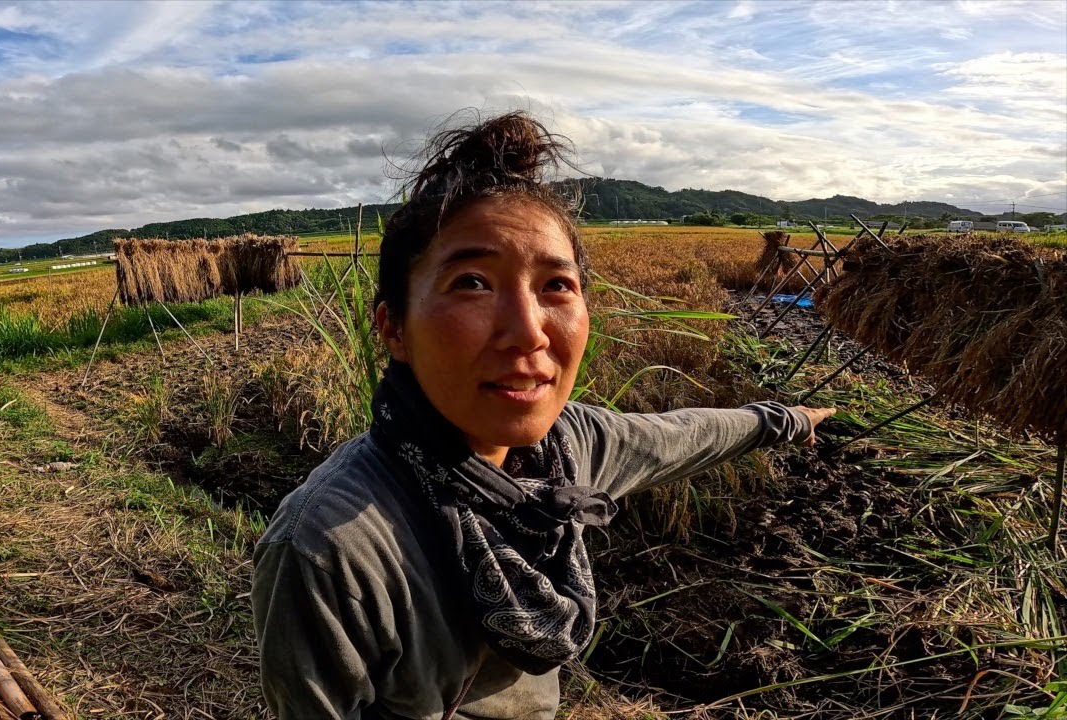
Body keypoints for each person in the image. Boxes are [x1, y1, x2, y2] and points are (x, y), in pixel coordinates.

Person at [251, 111, 835, 720]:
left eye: (556, 285)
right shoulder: (330, 548)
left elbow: (685, 435)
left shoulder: (568, 450)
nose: (528, 333)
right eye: (473, 282)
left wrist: (787, 418)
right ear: (393, 326)